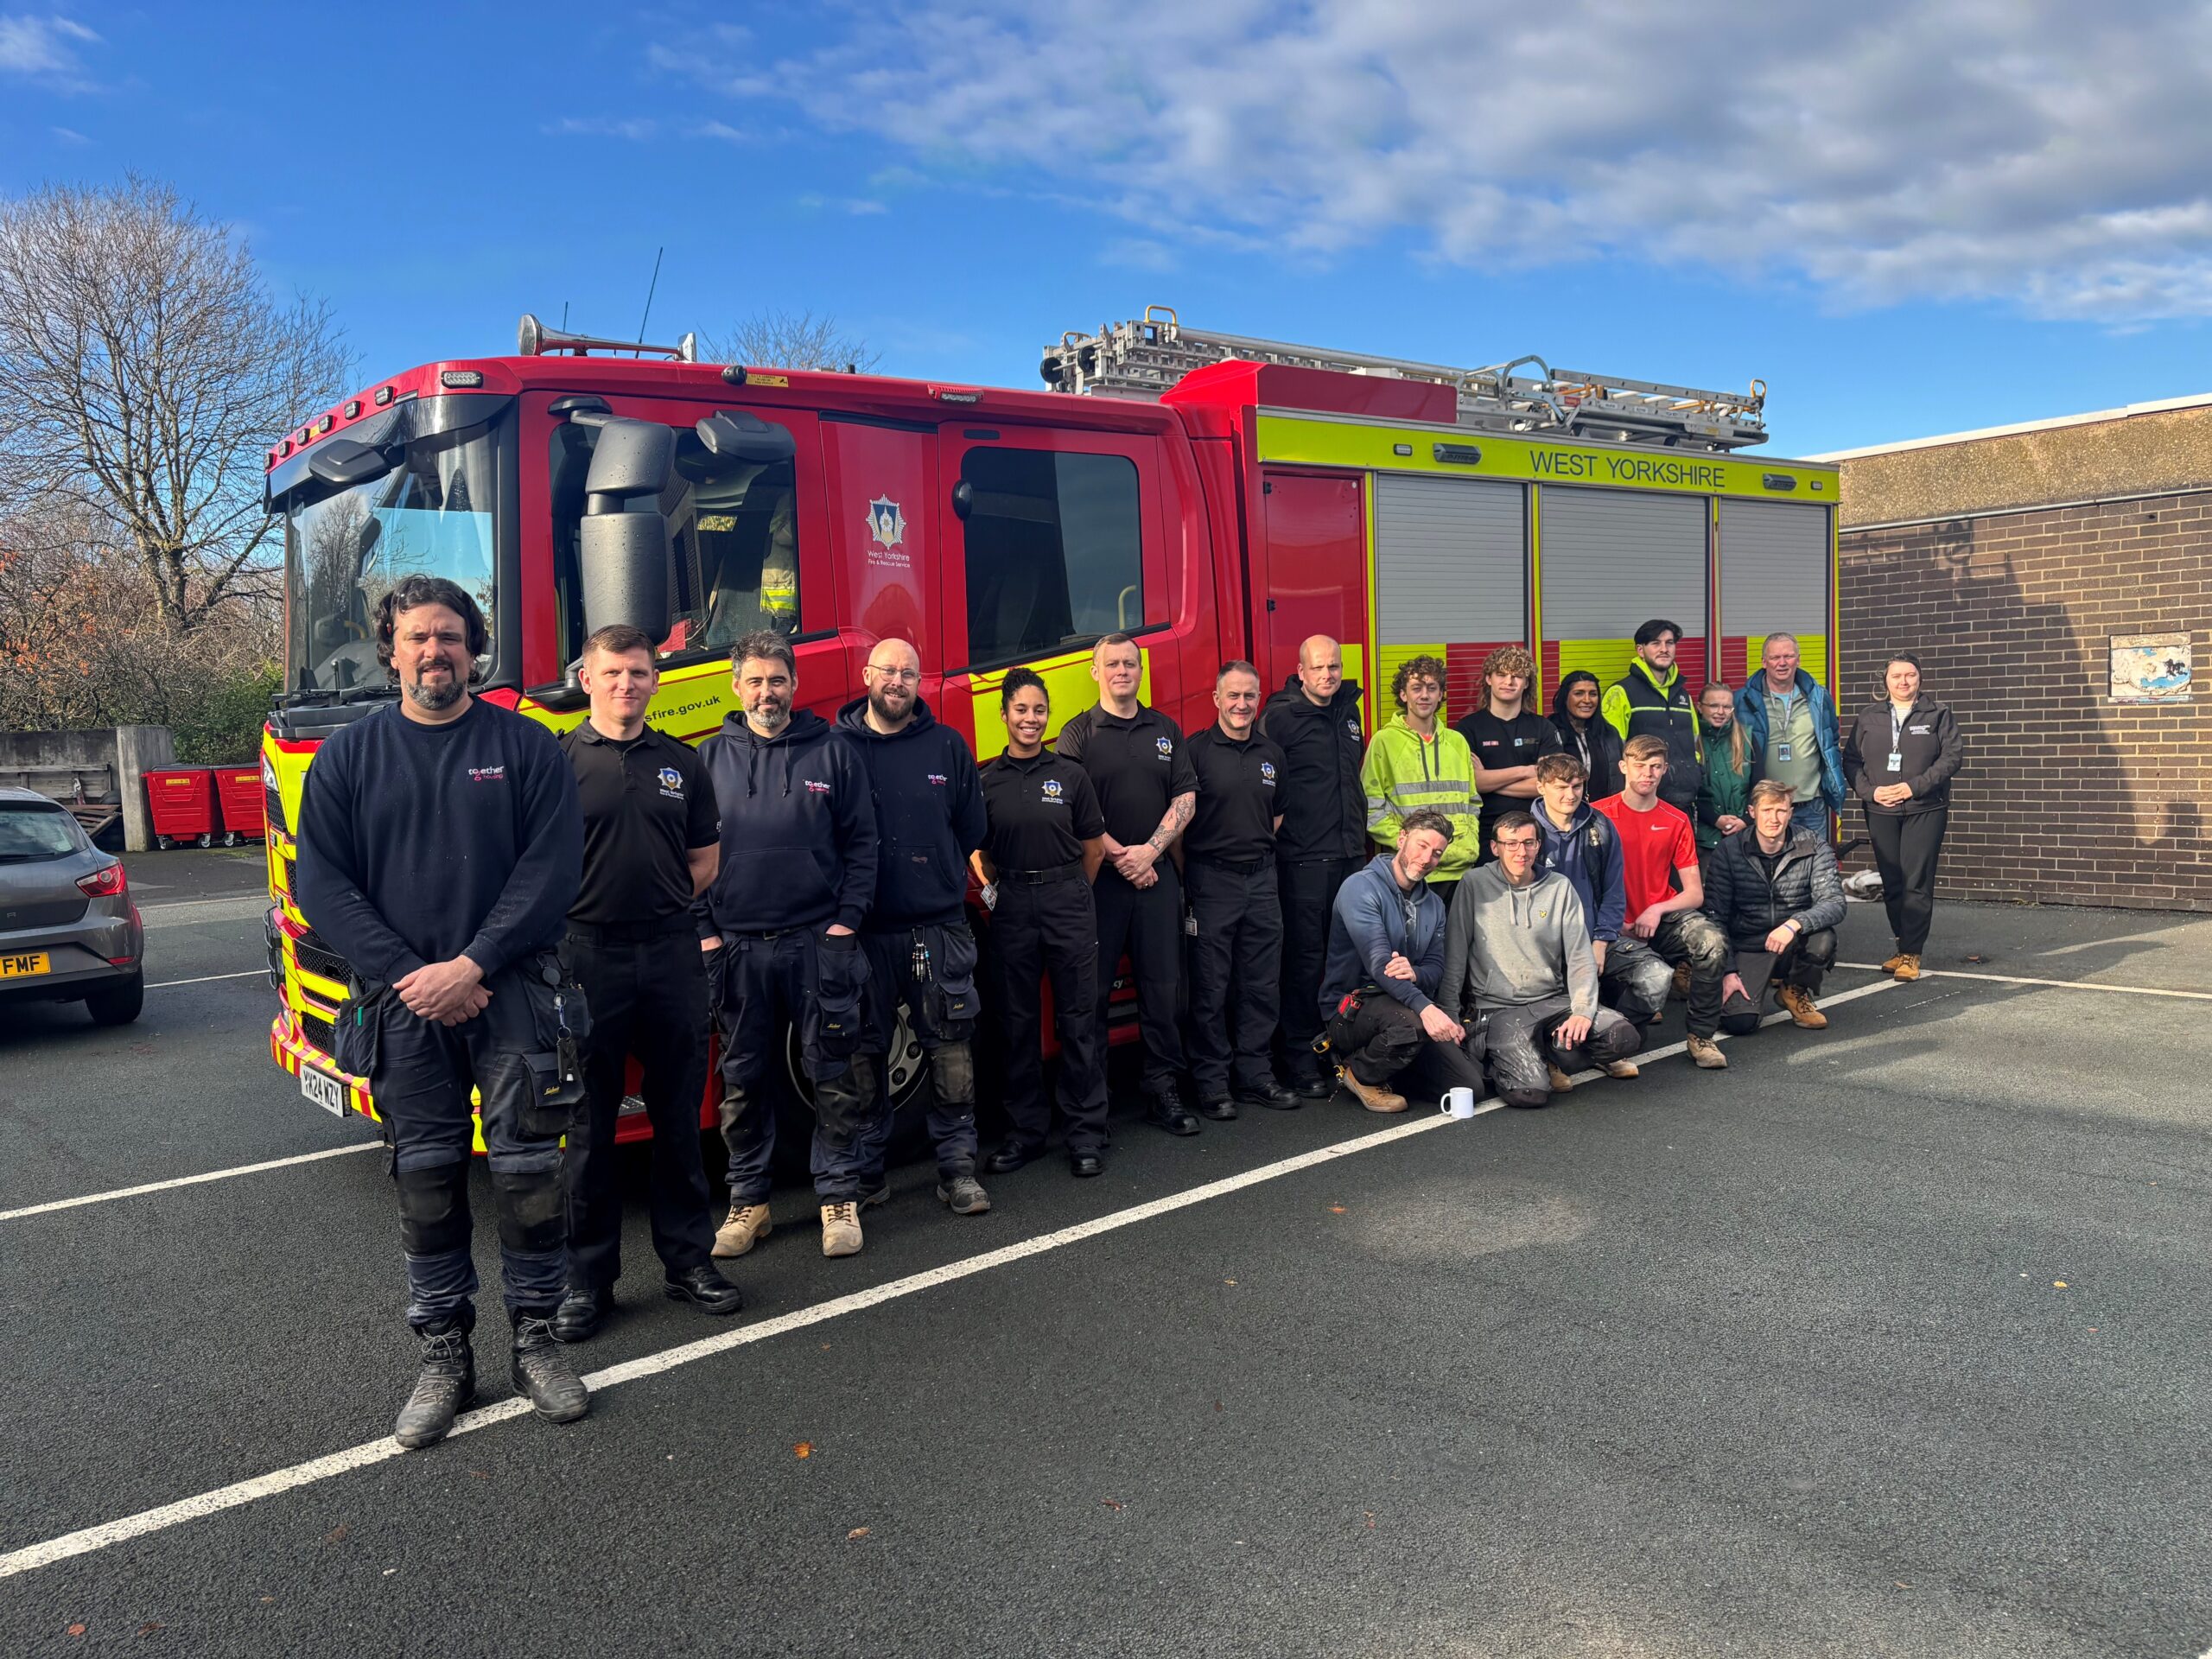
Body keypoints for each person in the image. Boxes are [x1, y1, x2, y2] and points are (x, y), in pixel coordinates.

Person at [294, 574, 588, 1450]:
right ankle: (443, 1354)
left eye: (451, 636)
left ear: (474, 648)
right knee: (425, 1182)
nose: (435, 651)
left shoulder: (527, 747)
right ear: (390, 650)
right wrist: (412, 976)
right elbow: (324, 886)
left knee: (529, 1176)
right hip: (407, 1007)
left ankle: (535, 1340)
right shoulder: (348, 758)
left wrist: (472, 963)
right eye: (418, 637)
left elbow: (551, 875)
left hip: (510, 997)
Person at [551, 625, 743, 1344]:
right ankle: (586, 1283)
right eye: (613, 673)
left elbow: (706, 858)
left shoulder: (681, 763)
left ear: (655, 681)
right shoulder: (558, 758)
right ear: (588, 679)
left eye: (638, 672)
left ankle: (689, 1264)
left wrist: (659, 904)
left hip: (670, 953)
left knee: (677, 1120)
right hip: (586, 958)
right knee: (588, 1127)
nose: (626, 684)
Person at [700, 631, 880, 1262]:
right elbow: (685, 857)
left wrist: (844, 924)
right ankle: (749, 1201)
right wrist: (707, 933)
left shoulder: (833, 752)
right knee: (743, 1080)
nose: (767, 692)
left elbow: (862, 846)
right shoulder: (707, 758)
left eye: (777, 680)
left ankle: (838, 1194)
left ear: (795, 684)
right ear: (736, 685)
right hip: (738, 950)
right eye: (755, 680)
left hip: (816, 943)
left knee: (831, 1072)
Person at [838, 638, 992, 1217]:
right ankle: (868, 1172)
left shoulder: (948, 747)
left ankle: (957, 1171)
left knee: (951, 1052)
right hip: (861, 933)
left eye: (908, 673)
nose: (897, 681)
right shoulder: (835, 750)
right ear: (866, 675)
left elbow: (970, 829)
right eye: (887, 671)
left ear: (919, 682)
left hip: (936, 929)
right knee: (861, 1057)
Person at [1058, 633, 1200, 1134]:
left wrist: (1150, 852)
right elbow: (1073, 808)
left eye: (1130, 664)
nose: (1122, 671)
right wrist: (1121, 855)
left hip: (1156, 877)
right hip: (1100, 882)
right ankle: (1093, 1108)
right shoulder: (1077, 734)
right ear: (1095, 672)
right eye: (1112, 664)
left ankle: (1163, 1092)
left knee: (1163, 991)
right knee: (1092, 995)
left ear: (1141, 671)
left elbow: (1186, 798)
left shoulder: (1165, 728)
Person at [973, 671, 1112, 1178]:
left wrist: (1071, 891)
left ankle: (1084, 1133)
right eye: (1022, 710)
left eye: (1039, 710)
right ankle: (1026, 1134)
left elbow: (1094, 850)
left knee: (1079, 1019)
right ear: (1005, 715)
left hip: (1067, 898)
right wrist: (999, 893)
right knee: (1017, 1024)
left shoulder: (1071, 775)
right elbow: (979, 852)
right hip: (1012, 905)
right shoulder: (988, 780)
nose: (1031, 720)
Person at [1442, 811, 1643, 1107]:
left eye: (1528, 843)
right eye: (1510, 844)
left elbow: (1579, 956)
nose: (1520, 852)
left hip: (1551, 1001)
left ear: (1539, 846)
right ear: (1495, 847)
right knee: (1531, 1094)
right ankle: (1514, 1056)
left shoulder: (1559, 887)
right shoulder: (1473, 884)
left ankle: (1549, 1052)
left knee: (1622, 1037)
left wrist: (1582, 1012)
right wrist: (1449, 1012)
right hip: (1498, 1008)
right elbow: (1455, 953)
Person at [1182, 661, 1300, 1116]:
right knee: (1211, 987)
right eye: (1232, 695)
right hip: (1212, 880)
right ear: (1216, 699)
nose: (1241, 704)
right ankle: (1212, 1084)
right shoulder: (1194, 752)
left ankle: (1255, 1076)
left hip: (1262, 880)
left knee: (1261, 984)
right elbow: (1181, 822)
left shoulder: (1272, 754)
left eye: (1250, 695)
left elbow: (1276, 816)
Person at [1315, 809, 1487, 1114]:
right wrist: (1428, 1009)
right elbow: (1380, 964)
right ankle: (1359, 1072)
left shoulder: (1434, 904)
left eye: (1436, 853)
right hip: (1353, 1008)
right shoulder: (1360, 887)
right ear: (1402, 839)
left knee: (1470, 1085)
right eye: (1421, 846)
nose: (1426, 859)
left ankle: (1394, 1066)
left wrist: (1416, 974)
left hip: (1406, 1005)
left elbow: (1436, 968)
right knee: (1414, 1024)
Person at [1262, 634, 1369, 1098]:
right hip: (1303, 860)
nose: (1328, 675)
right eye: (1319, 668)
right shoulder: (1281, 718)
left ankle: (1334, 1052)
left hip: (1348, 857)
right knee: (1305, 963)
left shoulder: (1350, 711)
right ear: (1301, 671)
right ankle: (1300, 1060)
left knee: (1343, 961)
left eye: (1335, 667)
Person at [1592, 734, 1732, 1069]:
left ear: (1665, 769)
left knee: (1712, 941)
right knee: (1653, 979)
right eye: (1639, 765)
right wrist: (1610, 923)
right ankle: (1612, 1044)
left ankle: (1701, 1037)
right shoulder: (1598, 816)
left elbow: (1694, 893)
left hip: (1661, 919)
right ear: (1624, 766)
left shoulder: (1676, 819)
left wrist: (1656, 909)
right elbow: (1583, 884)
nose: (1647, 773)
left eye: (1655, 767)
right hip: (1610, 924)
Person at [1843, 653, 1963, 982]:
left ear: (1919, 678)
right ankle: (1901, 946)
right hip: (1881, 810)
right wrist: (1870, 793)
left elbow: (1952, 758)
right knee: (1893, 882)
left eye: (1910, 675)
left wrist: (1913, 787)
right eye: (1896, 676)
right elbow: (1851, 761)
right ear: (1886, 681)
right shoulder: (1869, 716)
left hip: (1925, 809)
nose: (1903, 682)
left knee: (1917, 882)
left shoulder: (1938, 714)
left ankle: (1912, 953)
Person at [1528, 753, 1639, 1082]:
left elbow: (1614, 891)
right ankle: (1552, 1059)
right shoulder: (1525, 832)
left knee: (1652, 978)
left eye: (1577, 786)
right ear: (1540, 786)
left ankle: (1605, 1050)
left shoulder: (1601, 827)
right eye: (1561, 786)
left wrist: (1602, 940)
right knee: (1548, 1000)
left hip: (1592, 939)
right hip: (1540, 946)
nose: (1570, 794)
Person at [1704, 780, 1846, 1035]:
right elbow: (1715, 916)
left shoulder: (1812, 845)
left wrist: (1793, 925)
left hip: (1791, 941)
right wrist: (1728, 971)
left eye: (1781, 810)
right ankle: (1740, 992)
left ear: (1791, 812)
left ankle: (1794, 991)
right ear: (1752, 812)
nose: (1774, 818)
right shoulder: (1729, 851)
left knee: (1823, 938)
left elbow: (1835, 903)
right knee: (1739, 1024)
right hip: (1746, 945)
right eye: (1767, 810)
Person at [1363, 653, 1478, 909]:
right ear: (1404, 695)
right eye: (1416, 688)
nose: (1424, 695)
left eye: (1431, 688)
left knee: (1459, 947)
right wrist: (1408, 845)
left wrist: (1470, 843)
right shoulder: (1384, 741)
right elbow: (1370, 806)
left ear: (1440, 695)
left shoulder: (1457, 742)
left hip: (1460, 870)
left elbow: (1472, 802)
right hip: (1412, 870)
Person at [1734, 633, 1846, 842]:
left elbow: (1831, 741)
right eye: (1775, 657)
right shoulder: (1742, 700)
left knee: (1812, 867)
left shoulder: (1818, 697)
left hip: (1810, 805)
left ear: (1799, 660)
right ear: (1764, 662)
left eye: (1789, 656)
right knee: (1769, 869)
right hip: (1766, 806)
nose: (1782, 663)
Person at [1455, 645, 1561, 857]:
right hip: (1485, 831)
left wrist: (1489, 781)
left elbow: (1550, 785)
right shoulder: (1467, 728)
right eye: (1501, 674)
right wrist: (1527, 770)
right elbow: (1472, 783)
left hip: (1536, 830)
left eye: (1517, 676)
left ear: (1527, 683)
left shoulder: (1543, 728)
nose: (1509, 682)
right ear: (1488, 679)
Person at [1602, 620, 1703, 818]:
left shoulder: (1684, 697)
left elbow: (1696, 749)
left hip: (1685, 805)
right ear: (1640, 650)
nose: (1664, 649)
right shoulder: (1621, 693)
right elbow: (1612, 757)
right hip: (1642, 806)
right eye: (1656, 643)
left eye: (1670, 643)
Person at [1695, 683, 1752, 856]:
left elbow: (1759, 785)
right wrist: (1715, 819)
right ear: (1700, 707)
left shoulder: (1746, 737)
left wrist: (1745, 820)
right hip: (1705, 838)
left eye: (1727, 707)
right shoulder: (1691, 740)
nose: (1721, 712)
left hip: (1744, 836)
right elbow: (1690, 791)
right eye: (1713, 706)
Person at [1551, 671, 1623, 803]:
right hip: (1564, 813)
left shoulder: (1609, 733)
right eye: (1579, 693)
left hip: (1603, 814)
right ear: (1565, 697)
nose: (1587, 700)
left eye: (1593, 694)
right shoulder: (1551, 731)